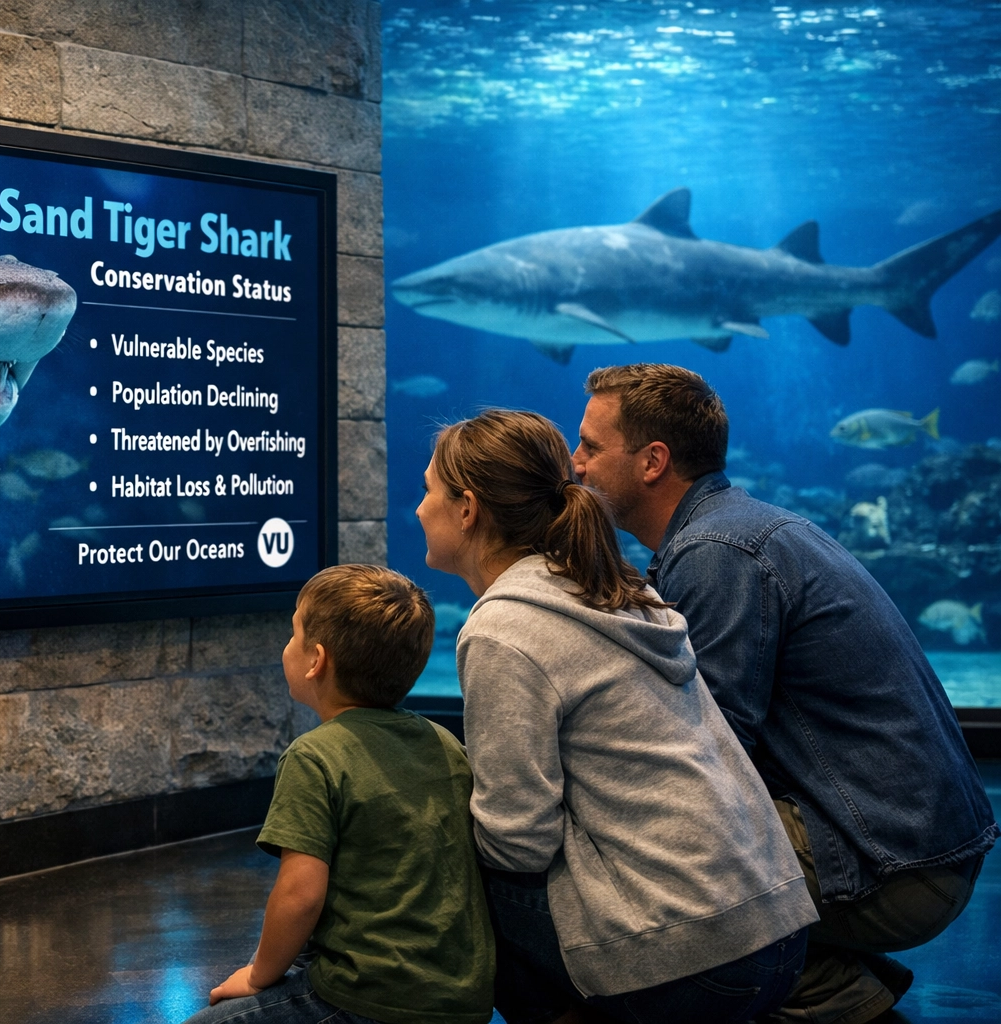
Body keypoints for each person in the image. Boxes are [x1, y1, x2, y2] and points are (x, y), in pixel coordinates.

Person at [572, 363, 997, 1024]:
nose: (576, 464)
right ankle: (822, 980)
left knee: (624, 857)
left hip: (895, 866)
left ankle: (811, 990)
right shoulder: (732, 529)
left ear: (652, 460)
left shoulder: (716, 551)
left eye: (591, 447)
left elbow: (701, 760)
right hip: (918, 848)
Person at [418, 408, 817, 1024]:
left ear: (467, 509)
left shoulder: (504, 628)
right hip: (780, 935)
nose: (419, 510)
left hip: (695, 964)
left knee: (451, 857)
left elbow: (518, 842)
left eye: (427, 492)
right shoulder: (617, 588)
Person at [181, 564, 496, 1024]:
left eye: (294, 633)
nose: (286, 646)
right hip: (460, 999)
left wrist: (257, 977)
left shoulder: (314, 757)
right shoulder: (443, 742)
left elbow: (300, 896)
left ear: (316, 661)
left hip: (367, 996)